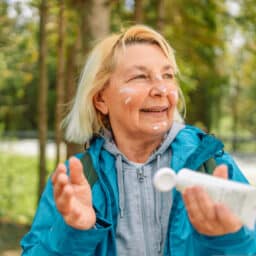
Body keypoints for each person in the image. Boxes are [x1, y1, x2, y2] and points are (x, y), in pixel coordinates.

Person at [21, 25, 256, 256]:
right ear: (101, 99)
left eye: (167, 75)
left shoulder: (213, 167)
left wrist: (230, 240)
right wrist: (72, 234)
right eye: (140, 77)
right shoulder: (77, 181)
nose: (161, 89)